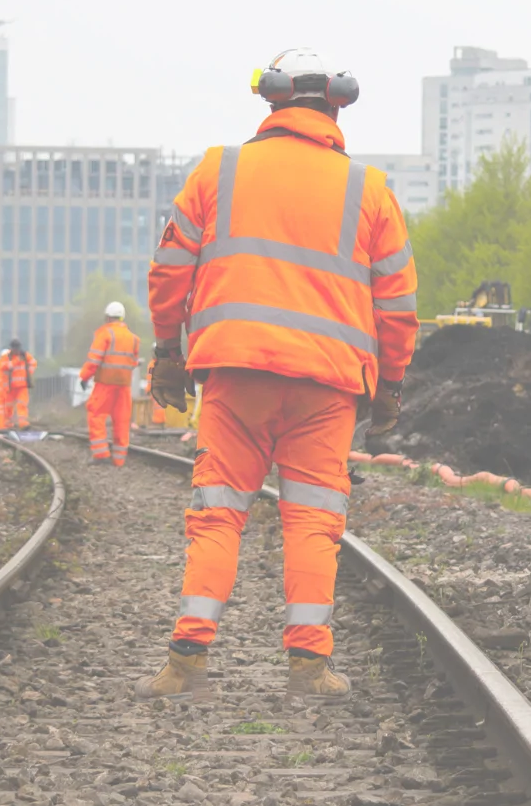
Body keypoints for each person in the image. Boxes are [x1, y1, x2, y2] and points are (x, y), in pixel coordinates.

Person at [135, 48, 418, 701]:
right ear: (337, 108)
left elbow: (170, 268)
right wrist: (392, 385)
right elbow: (398, 305)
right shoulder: (369, 191)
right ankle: (308, 669)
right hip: (328, 388)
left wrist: (168, 351)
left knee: (218, 512)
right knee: (313, 519)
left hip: (236, 377)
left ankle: (186, 661)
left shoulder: (219, 170)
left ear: (271, 102)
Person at [78, 302, 141, 465]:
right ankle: (119, 459)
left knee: (96, 414)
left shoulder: (105, 334)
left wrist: (84, 377)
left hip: (105, 383)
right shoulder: (134, 339)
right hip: (124, 385)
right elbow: (133, 362)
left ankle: (101, 455)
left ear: (107, 317)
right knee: (122, 419)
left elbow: (94, 360)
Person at [0, 340, 38, 430]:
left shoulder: (25, 355)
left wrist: (29, 373)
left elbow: (33, 363)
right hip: (10, 386)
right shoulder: (7, 357)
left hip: (22, 386)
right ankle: (7, 423)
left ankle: (23, 423)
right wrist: (16, 361)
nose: (17, 350)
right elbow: (3, 366)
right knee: (8, 405)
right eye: (15, 348)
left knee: (22, 404)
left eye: (18, 348)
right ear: (12, 348)